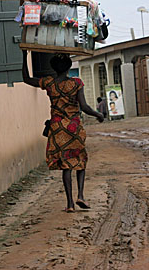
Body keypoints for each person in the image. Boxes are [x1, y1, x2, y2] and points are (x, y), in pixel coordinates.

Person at [22, 51, 104, 212]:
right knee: (80, 161)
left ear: (53, 67)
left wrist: (24, 56)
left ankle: (70, 204)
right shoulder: (76, 83)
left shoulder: (49, 83)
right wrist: (98, 114)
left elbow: (26, 79)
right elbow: (85, 107)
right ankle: (80, 195)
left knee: (66, 165)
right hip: (74, 128)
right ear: (68, 67)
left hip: (58, 128)